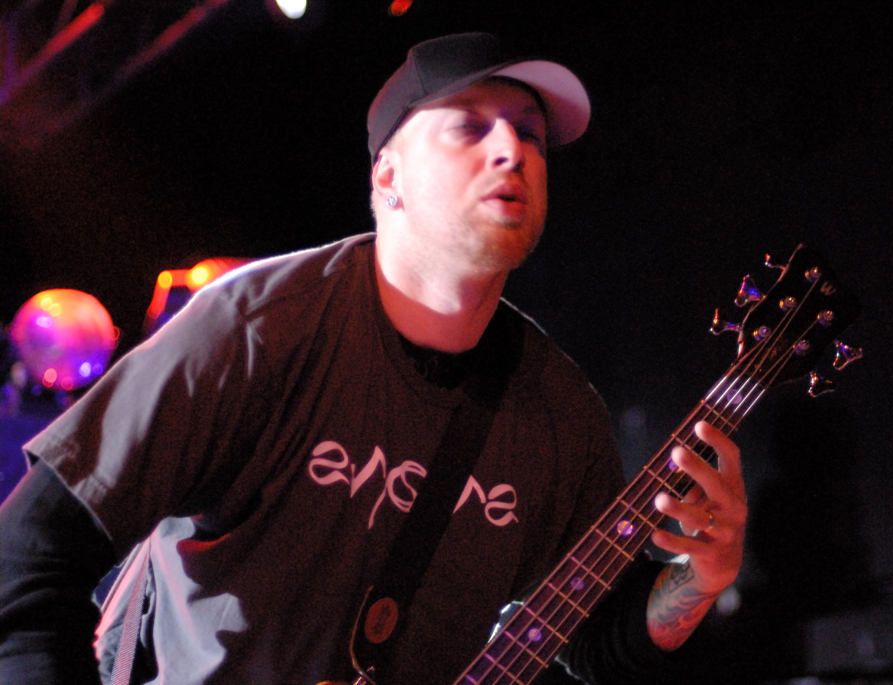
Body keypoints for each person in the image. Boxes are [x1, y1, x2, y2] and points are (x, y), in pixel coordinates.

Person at [0, 33, 747, 685]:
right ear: (387, 176)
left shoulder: (559, 416)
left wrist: (701, 576)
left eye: (530, 134)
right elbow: (28, 561)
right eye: (470, 126)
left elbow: (594, 645)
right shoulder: (257, 329)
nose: (512, 149)